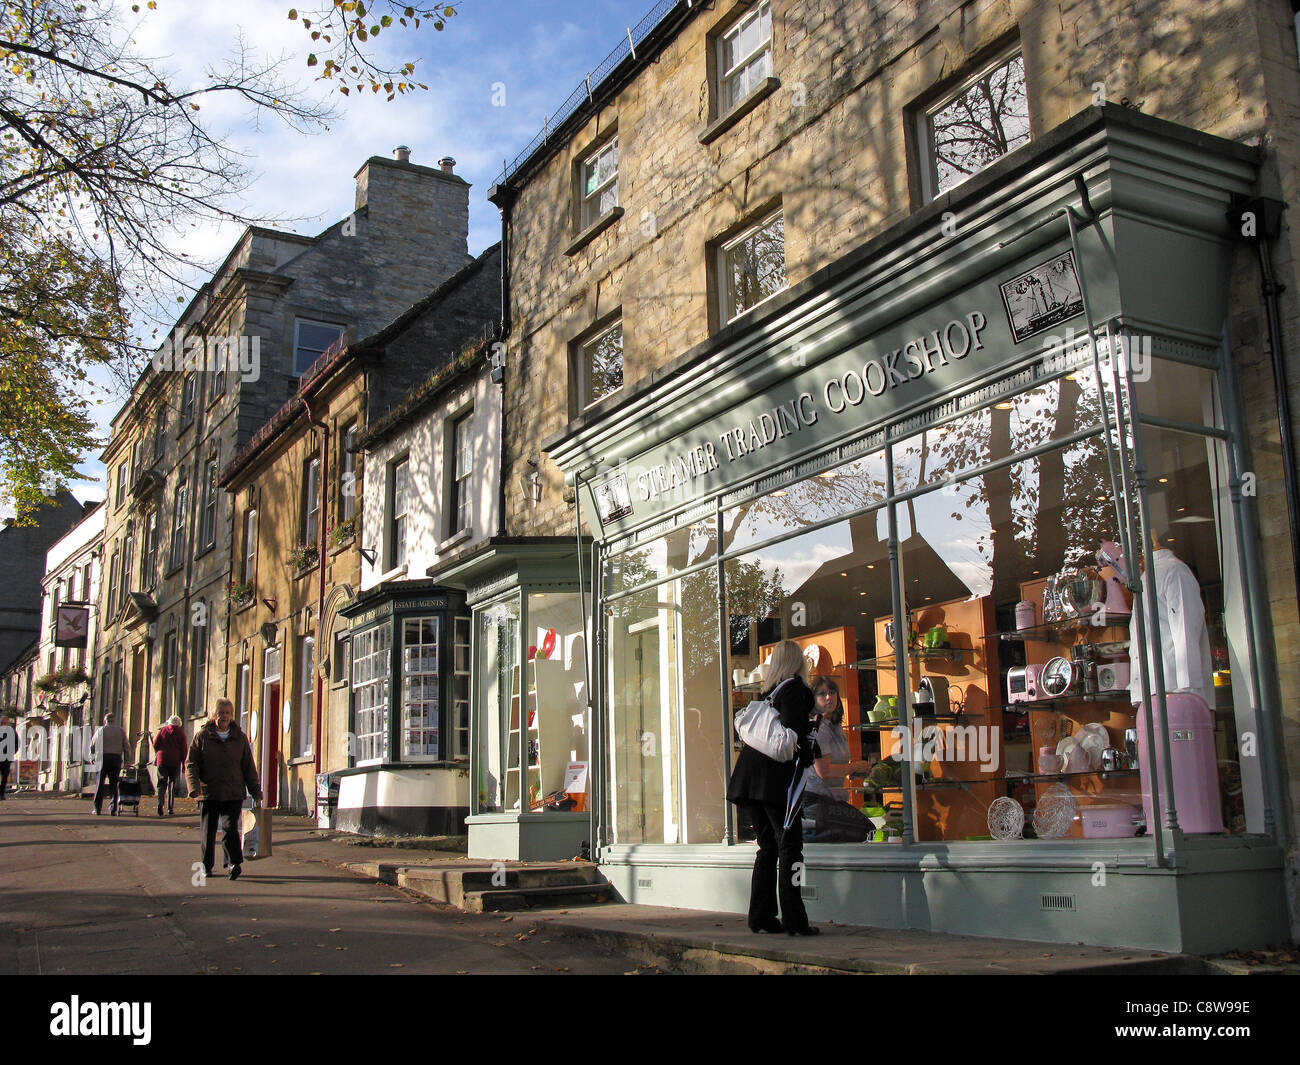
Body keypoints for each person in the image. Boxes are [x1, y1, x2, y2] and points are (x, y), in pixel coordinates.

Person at [726, 640, 818, 936]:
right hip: (776, 784)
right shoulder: (796, 691)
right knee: (791, 847)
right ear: (798, 662)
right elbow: (796, 740)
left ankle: (761, 916)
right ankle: (795, 919)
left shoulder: (768, 694)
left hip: (748, 780)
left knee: (767, 848)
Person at [185, 699, 261, 881]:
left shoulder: (239, 738)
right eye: (221, 713)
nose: (224, 716)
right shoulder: (202, 736)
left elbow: (248, 767)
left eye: (227, 713)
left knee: (230, 828)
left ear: (231, 715)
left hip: (232, 791)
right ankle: (206, 865)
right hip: (208, 792)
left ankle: (234, 863)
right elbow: (191, 763)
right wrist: (194, 787)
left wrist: (256, 792)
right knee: (208, 831)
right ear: (214, 715)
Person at [805, 676, 851, 803]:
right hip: (816, 799)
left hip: (833, 796)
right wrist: (856, 767)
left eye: (832, 692)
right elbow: (824, 771)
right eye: (822, 694)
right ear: (812, 699)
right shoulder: (818, 727)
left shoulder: (834, 725)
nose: (829, 697)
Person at [91, 713, 128, 816]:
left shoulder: (100, 731)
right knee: (114, 784)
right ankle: (113, 809)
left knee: (100, 784)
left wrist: (92, 757)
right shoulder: (120, 731)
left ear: (105, 720)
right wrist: (127, 761)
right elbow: (126, 746)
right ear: (114, 720)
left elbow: (92, 745)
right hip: (116, 758)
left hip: (102, 758)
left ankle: (97, 808)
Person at [152, 715, 188, 817]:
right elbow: (184, 750)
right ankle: (170, 808)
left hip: (162, 759)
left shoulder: (163, 730)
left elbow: (155, 744)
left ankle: (160, 803)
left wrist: (159, 752)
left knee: (161, 782)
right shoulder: (181, 733)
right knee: (172, 784)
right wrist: (183, 763)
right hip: (175, 761)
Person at [0, 715, 14, 800]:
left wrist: (11, 752)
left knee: (5, 776)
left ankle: (1, 793)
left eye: (6, 722)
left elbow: (16, 743)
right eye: (3, 722)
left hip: (7, 758)